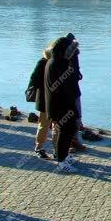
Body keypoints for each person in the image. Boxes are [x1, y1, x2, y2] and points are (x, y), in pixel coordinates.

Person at [44, 37, 80, 173]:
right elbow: (70, 81)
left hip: (61, 104)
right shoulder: (58, 64)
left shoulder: (54, 61)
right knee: (65, 132)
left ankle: (64, 156)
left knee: (68, 130)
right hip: (61, 106)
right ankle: (61, 161)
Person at [27, 43, 53, 159]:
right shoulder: (42, 63)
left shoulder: (59, 63)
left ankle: (57, 149)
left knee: (55, 125)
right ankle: (39, 147)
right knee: (44, 124)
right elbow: (34, 79)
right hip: (45, 99)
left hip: (55, 99)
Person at [64, 33, 86, 153]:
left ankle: (73, 141)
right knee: (75, 115)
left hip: (70, 90)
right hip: (72, 91)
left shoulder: (64, 57)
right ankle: (73, 141)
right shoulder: (72, 56)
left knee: (71, 117)